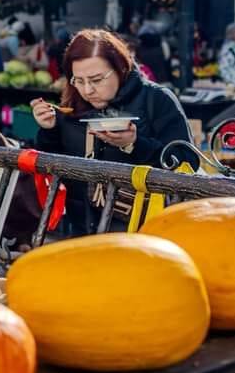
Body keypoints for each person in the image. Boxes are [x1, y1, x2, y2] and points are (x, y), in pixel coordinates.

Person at [31, 29, 193, 234]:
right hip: (80, 230)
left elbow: (187, 161)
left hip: (143, 232)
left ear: (120, 68)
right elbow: (53, 162)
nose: (88, 90)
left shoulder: (157, 99)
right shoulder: (72, 104)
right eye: (78, 80)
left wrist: (134, 144)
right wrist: (49, 129)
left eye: (97, 80)